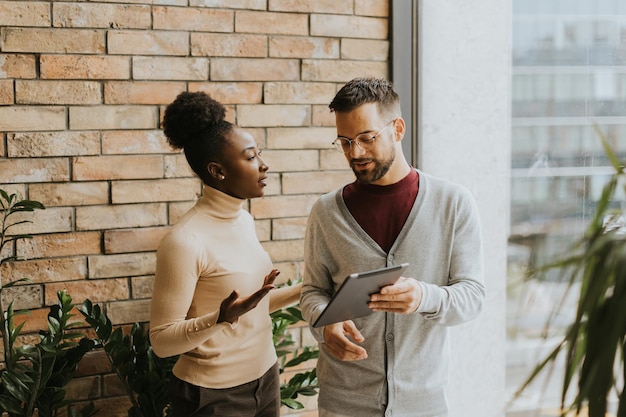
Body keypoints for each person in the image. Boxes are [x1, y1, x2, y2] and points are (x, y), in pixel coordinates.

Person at [300, 77, 485, 417]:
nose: (355, 152)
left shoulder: (453, 203)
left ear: (398, 128)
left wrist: (424, 297)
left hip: (423, 404)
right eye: (344, 142)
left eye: (367, 139)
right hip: (343, 404)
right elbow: (312, 291)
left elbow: (472, 296)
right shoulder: (326, 212)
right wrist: (324, 323)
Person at [149, 91, 301, 417]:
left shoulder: (244, 220)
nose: (263, 164)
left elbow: (249, 308)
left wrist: (308, 289)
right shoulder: (185, 241)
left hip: (266, 378)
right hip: (211, 397)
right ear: (218, 171)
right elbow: (161, 343)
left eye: (259, 154)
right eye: (250, 157)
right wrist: (220, 319)